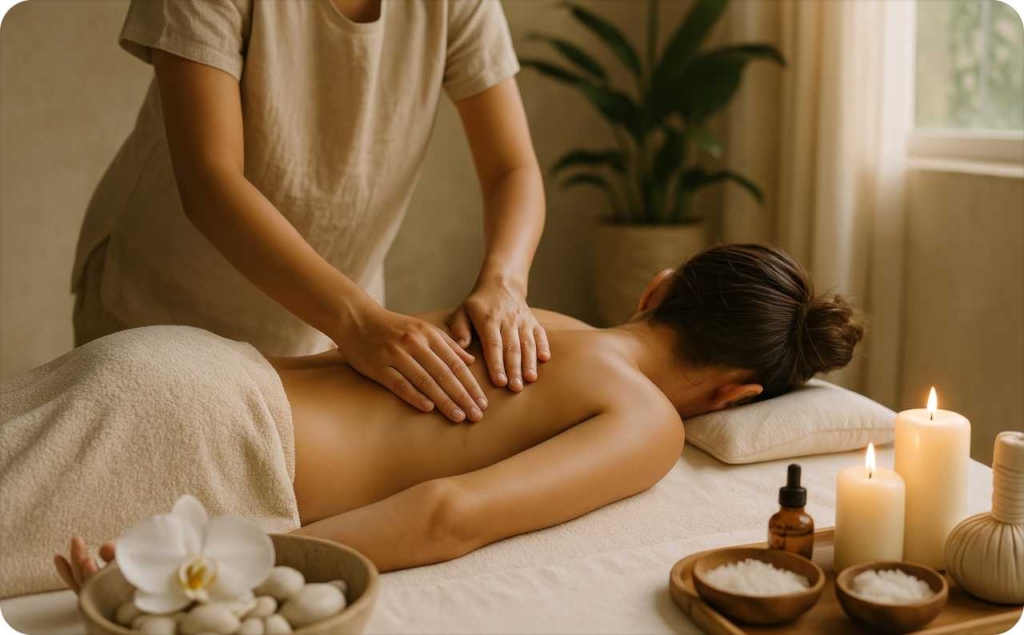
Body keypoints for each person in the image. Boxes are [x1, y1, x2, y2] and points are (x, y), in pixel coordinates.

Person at [0, 244, 863, 595]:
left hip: (187, 361)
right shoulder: (649, 424)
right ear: (735, 396)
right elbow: (449, 514)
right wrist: (231, 568)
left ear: (657, 287)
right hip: (219, 447)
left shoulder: (536, 321)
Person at [72, 0, 548, 424]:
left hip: (331, 328)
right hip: (165, 309)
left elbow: (511, 168)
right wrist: (358, 322)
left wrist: (505, 284)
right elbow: (210, 182)